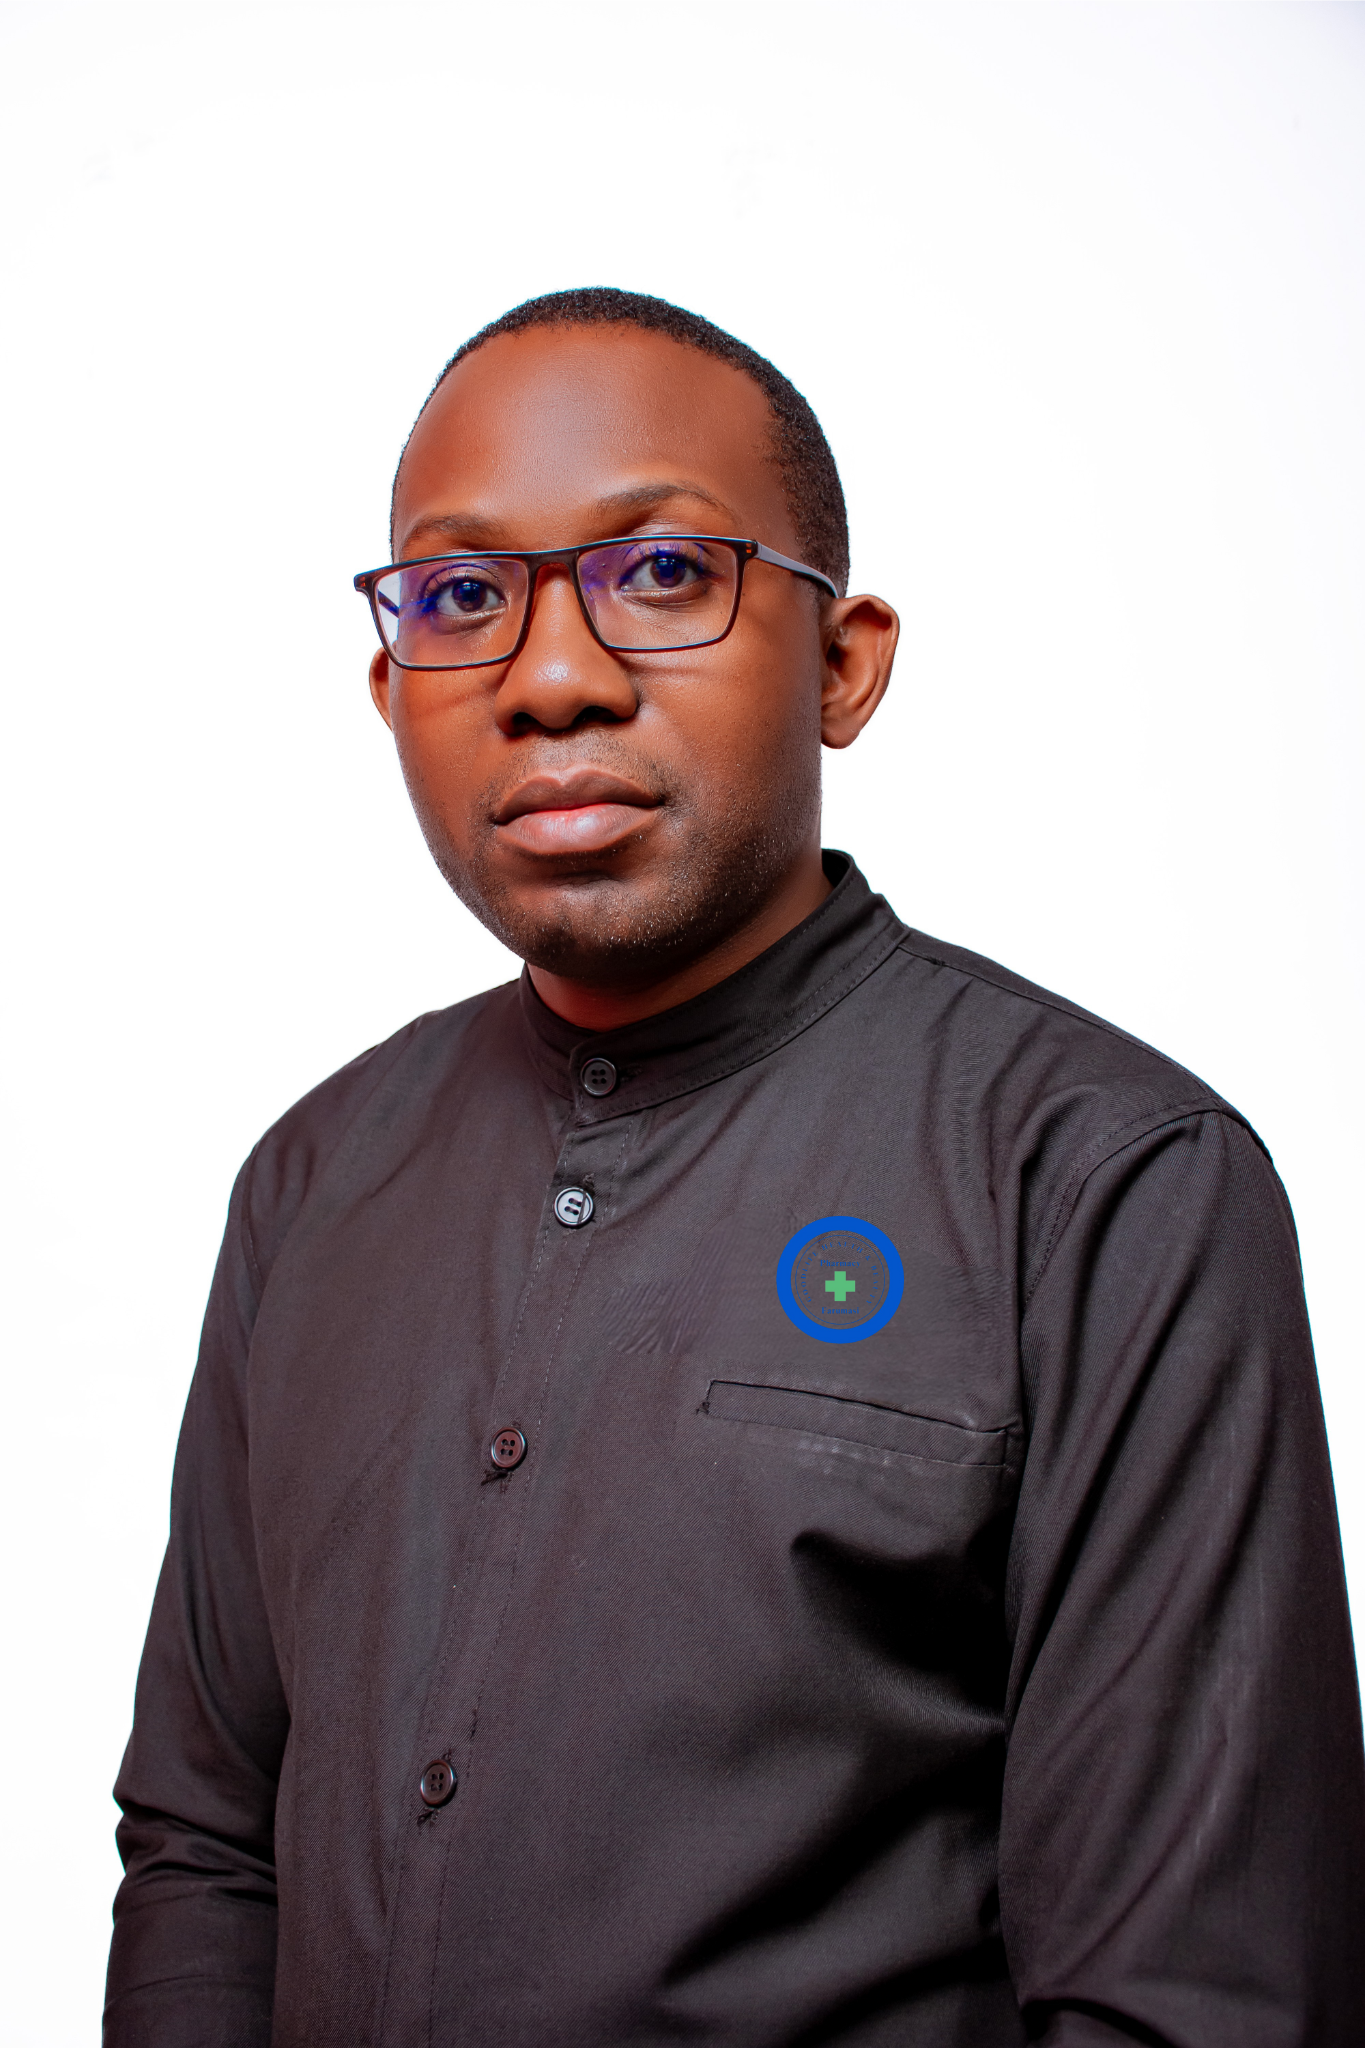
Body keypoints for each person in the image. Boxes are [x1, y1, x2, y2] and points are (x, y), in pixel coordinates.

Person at [105, 288, 1364, 2048]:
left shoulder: (1108, 1186)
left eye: (663, 572)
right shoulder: (311, 1183)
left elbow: (1194, 1994)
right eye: (461, 598)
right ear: (389, 685)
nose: (553, 677)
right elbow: (207, 1846)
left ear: (843, 663)